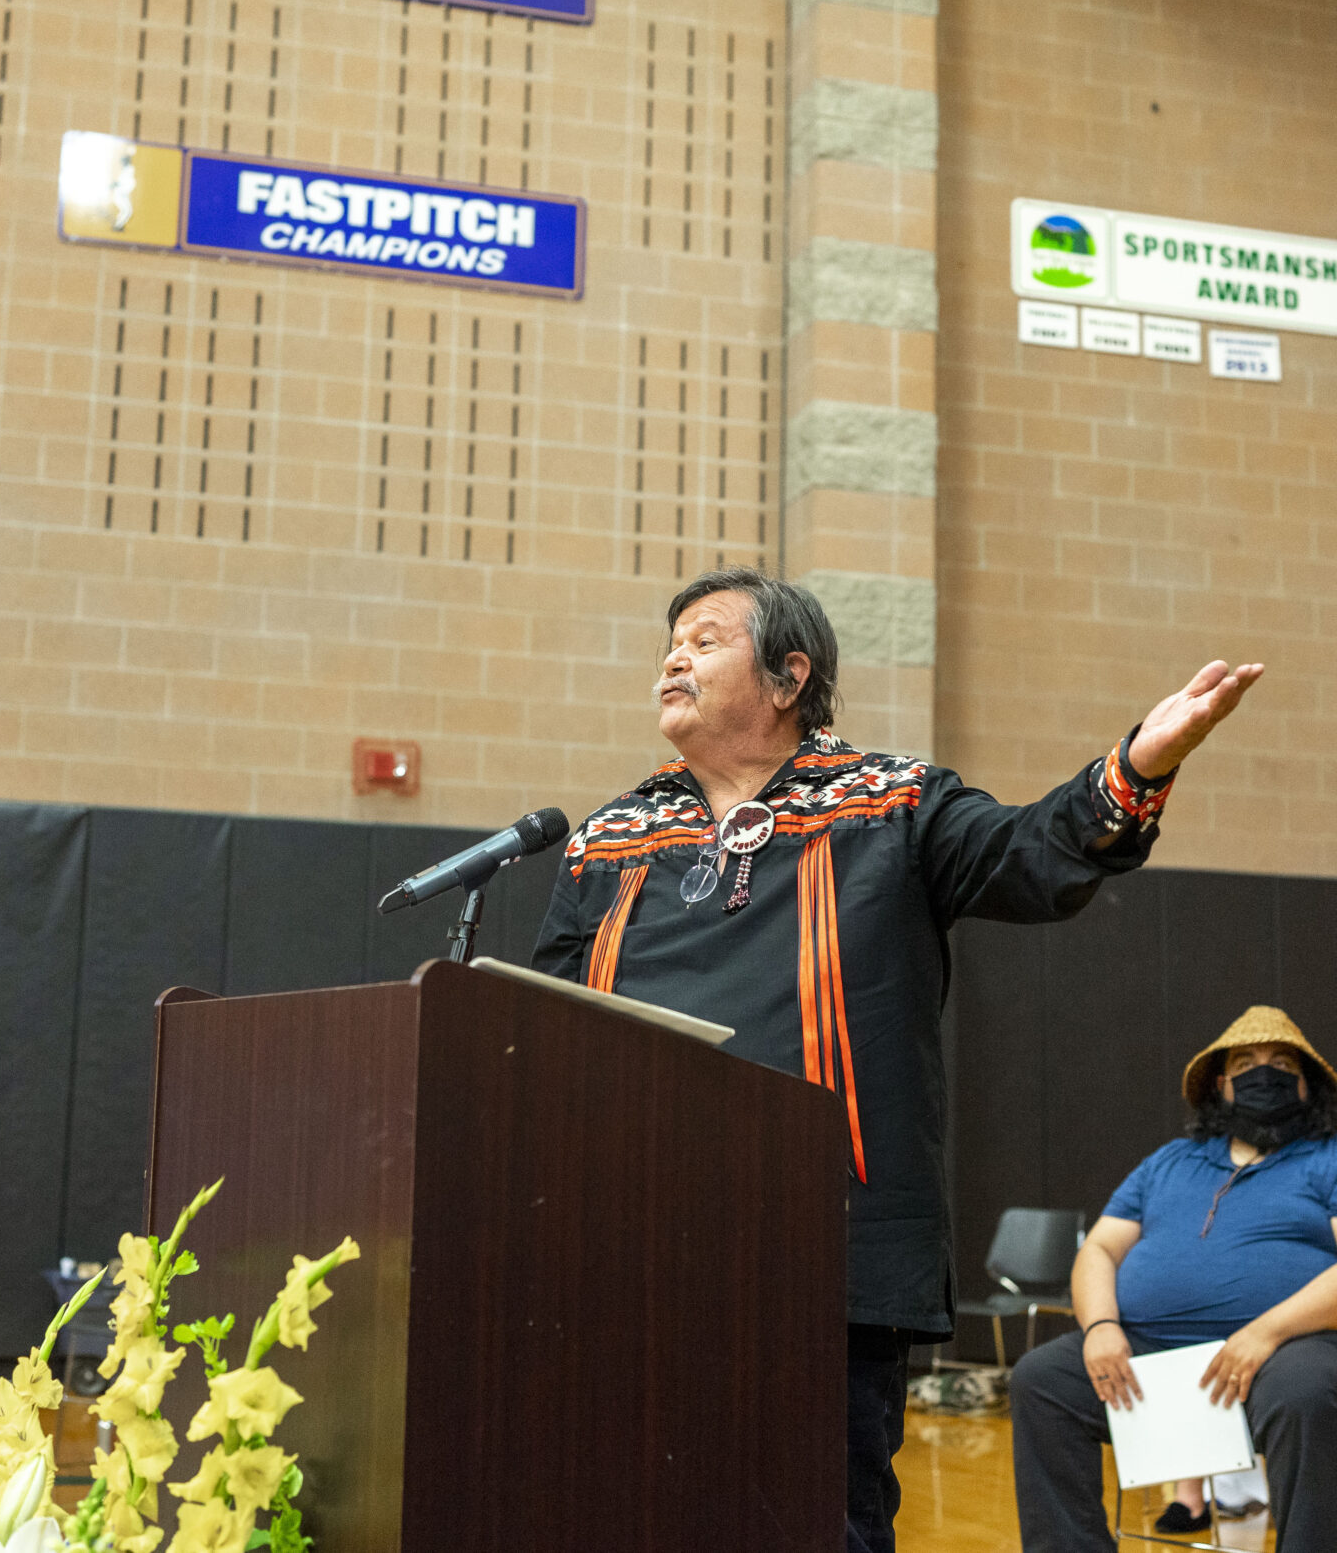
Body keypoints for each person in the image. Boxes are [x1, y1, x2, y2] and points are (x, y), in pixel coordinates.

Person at [532, 568, 1262, 1553]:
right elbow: (544, 1017)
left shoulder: (893, 804)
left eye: (704, 639)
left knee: (819, 1516)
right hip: (634, 1235)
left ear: (789, 676)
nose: (673, 656)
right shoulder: (609, 838)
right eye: (672, 641)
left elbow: (1030, 856)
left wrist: (1135, 766)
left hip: (829, 1238)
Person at [1008, 1008, 1337, 1553]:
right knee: (1042, 1379)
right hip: (1156, 1359)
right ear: (1220, 1086)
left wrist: (1264, 1333)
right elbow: (1101, 1247)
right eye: (1245, 1063)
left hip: (1295, 1353)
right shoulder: (1167, 1163)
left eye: (1280, 1063)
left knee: (1305, 1388)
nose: (1261, 1074)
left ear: (1306, 1083)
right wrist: (1102, 1324)